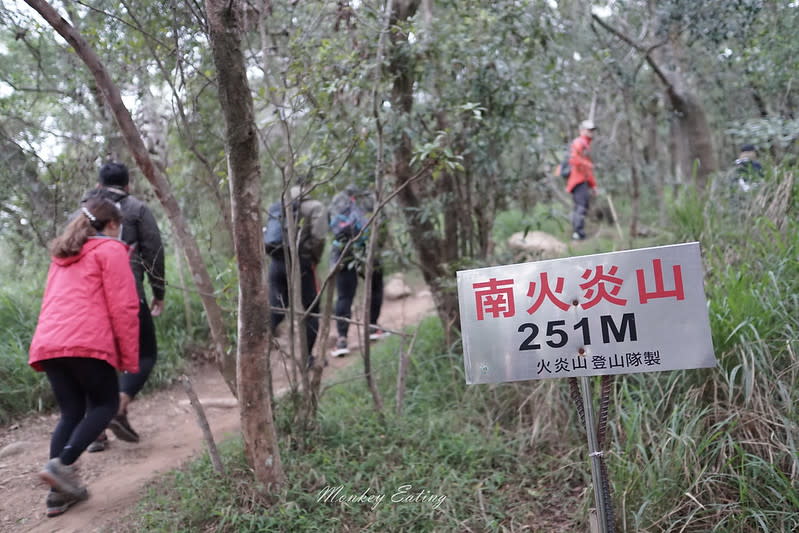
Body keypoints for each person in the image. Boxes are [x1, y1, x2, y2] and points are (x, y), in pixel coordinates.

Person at [29, 197, 140, 517]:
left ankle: (57, 496)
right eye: (120, 227)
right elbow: (124, 307)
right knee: (104, 405)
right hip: (85, 341)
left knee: (72, 412)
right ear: (112, 225)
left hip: (50, 343)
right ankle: (61, 465)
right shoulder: (111, 250)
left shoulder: (62, 255)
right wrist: (128, 360)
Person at [82, 162, 165, 449]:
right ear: (128, 185)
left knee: (99, 358)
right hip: (128, 292)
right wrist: (159, 291)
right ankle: (119, 405)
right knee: (145, 354)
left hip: (88, 298)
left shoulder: (82, 211)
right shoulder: (137, 209)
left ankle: (97, 432)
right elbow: (153, 251)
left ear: (99, 184)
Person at [267, 184, 328, 366]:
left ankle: (256, 351)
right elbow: (319, 237)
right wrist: (313, 258)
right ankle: (307, 358)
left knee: (277, 307)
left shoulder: (277, 207)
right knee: (310, 311)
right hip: (301, 264)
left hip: (276, 263)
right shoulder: (315, 207)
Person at [328, 184, 388, 357]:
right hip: (367, 251)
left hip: (342, 251)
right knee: (375, 288)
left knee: (344, 296)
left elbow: (330, 226)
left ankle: (341, 340)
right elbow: (382, 225)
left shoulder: (337, 199)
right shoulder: (369, 199)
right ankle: (373, 327)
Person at [565, 120, 598, 241]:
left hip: (582, 181)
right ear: (582, 130)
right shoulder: (579, 142)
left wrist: (593, 185)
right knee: (580, 206)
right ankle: (578, 233)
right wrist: (587, 164)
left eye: (592, 130)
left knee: (582, 206)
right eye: (589, 130)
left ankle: (578, 232)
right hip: (577, 181)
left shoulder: (586, 144)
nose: (591, 133)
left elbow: (588, 170)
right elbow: (574, 159)